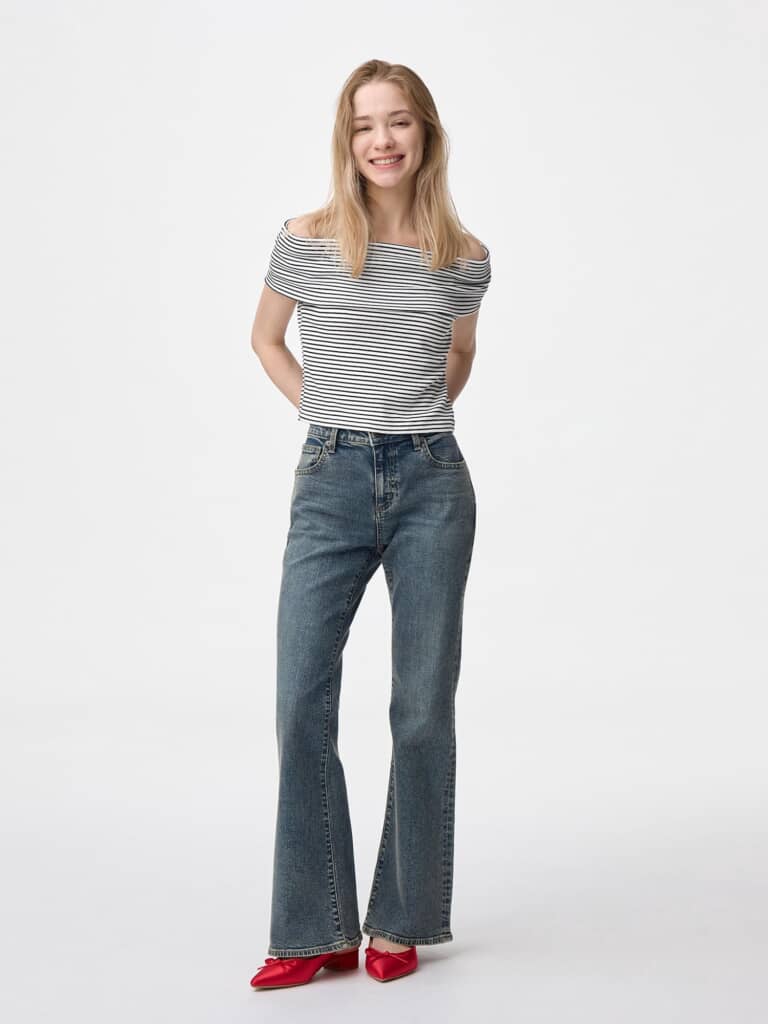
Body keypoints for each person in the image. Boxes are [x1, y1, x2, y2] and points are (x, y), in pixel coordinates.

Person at [248, 59, 491, 990]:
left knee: (421, 707)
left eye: (397, 122)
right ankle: (313, 928)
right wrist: (328, 412)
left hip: (433, 483)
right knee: (300, 700)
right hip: (330, 479)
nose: (381, 140)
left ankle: (401, 918)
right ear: (346, 140)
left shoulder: (463, 257)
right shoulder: (306, 239)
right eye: (363, 126)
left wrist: (417, 411)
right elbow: (265, 338)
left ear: (425, 132)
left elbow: (460, 352)